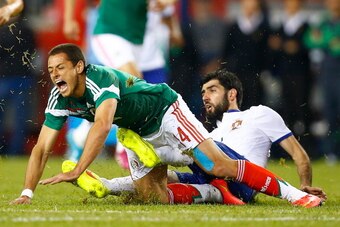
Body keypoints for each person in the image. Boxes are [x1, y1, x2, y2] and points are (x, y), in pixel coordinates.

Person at [10, 44, 323, 208]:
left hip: (165, 111)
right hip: (137, 130)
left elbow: (103, 125)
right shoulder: (59, 96)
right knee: (154, 198)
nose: (53, 74)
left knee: (218, 164)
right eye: (50, 69)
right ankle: (200, 186)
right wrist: (27, 192)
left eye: (60, 67)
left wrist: (77, 169)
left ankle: (296, 196)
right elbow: (41, 147)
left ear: (79, 66)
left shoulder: (99, 79)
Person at [0, 0, 37, 155]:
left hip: (3, 78)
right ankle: (16, 150)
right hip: (23, 78)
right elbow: (33, 53)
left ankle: (2, 149)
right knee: (20, 119)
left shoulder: (2, 31)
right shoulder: (27, 30)